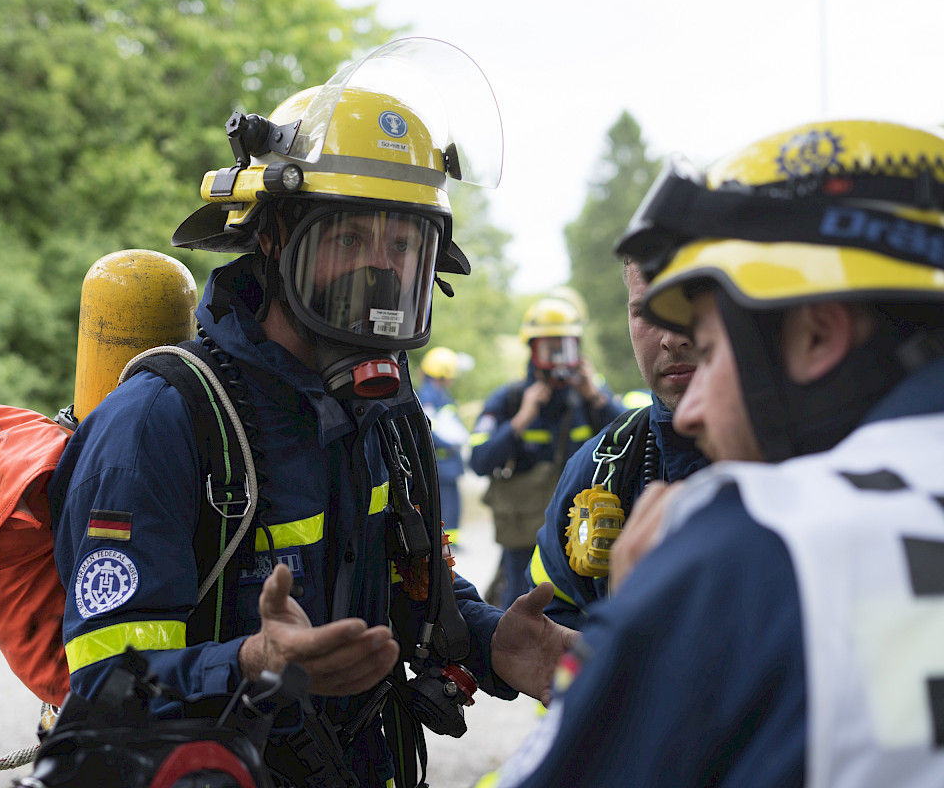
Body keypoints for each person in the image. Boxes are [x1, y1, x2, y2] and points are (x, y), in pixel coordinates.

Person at [49, 39, 576, 788]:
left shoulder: (380, 414)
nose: (384, 267)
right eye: (351, 235)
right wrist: (252, 665)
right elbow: (101, 690)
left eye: (404, 242)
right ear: (273, 234)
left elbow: (409, 582)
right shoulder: (163, 422)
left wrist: (494, 640)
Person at [493, 119, 944, 787]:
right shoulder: (610, 464)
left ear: (818, 336)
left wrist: (640, 628)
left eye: (707, 347)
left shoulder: (749, 546)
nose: (693, 407)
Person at [528, 259, 708, 628]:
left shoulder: (820, 458)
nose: (672, 338)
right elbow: (551, 620)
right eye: (647, 311)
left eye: (690, 305)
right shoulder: (597, 465)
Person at [470, 297, 623, 610]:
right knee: (522, 610)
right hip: (524, 540)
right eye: (548, 348)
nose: (557, 358)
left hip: (585, 533)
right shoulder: (509, 399)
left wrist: (595, 398)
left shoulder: (592, 396)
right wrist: (520, 420)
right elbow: (479, 460)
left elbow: (630, 440)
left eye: (564, 347)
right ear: (532, 349)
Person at [417, 346, 470, 548]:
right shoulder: (429, 395)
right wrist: (451, 443)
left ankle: (451, 542)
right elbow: (430, 428)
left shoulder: (438, 393)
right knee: (446, 503)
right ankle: (446, 543)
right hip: (441, 460)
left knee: (452, 503)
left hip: (448, 461)